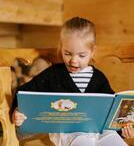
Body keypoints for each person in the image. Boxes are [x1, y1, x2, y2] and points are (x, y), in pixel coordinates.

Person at [11, 17, 134, 145]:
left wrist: (123, 130)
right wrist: (17, 110)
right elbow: (25, 92)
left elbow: (110, 110)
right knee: (82, 142)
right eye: (67, 53)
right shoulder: (53, 74)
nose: (73, 60)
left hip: (99, 130)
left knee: (115, 141)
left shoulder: (99, 78)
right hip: (68, 131)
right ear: (61, 48)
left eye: (81, 55)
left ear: (92, 52)